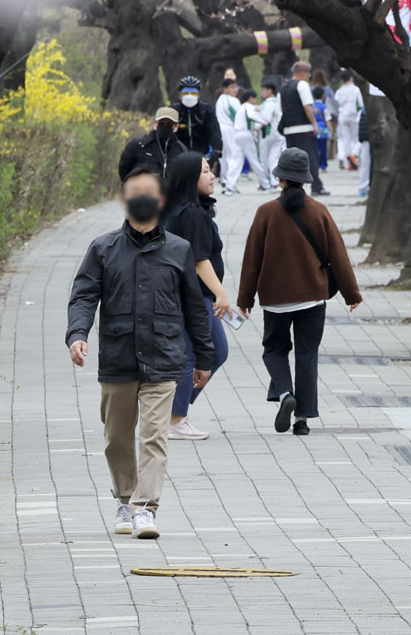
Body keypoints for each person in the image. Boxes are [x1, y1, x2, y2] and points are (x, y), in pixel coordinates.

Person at [67, 166, 218, 540]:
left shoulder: (179, 250)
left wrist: (204, 357)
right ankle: (123, 498)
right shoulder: (103, 248)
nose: (142, 197)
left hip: (165, 357)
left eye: (149, 192)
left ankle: (145, 510)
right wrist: (77, 334)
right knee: (117, 436)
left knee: (154, 437)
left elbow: (195, 308)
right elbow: (84, 295)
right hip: (118, 359)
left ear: (161, 200)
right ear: (123, 200)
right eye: (135, 192)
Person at [236, 147, 360, 434]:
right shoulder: (319, 211)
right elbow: (338, 255)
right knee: (307, 356)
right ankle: (302, 420)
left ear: (280, 179)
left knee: (274, 350)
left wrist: (245, 299)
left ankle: (284, 395)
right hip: (313, 299)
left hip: (275, 300)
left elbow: (251, 260)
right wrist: (351, 295)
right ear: (304, 179)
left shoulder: (265, 212)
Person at [161, 152, 234, 440]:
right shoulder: (192, 214)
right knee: (200, 353)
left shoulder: (178, 209)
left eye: (211, 170)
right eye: (205, 171)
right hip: (194, 296)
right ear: (191, 178)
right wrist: (221, 294)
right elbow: (199, 260)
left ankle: (172, 414)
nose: (212, 175)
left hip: (187, 295)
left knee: (211, 351)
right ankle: (174, 419)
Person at [278, 61, 327, 196]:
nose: (308, 76)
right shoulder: (302, 85)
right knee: (310, 158)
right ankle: (316, 186)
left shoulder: (284, 87)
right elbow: (307, 107)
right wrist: (314, 124)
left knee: (292, 159)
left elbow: (282, 108)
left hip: (289, 129)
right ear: (302, 73)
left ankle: (291, 187)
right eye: (308, 73)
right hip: (303, 128)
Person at [118, 107, 191, 184]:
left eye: (169, 124)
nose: (165, 126)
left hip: (171, 194)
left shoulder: (181, 150)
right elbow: (124, 171)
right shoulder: (138, 145)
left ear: (176, 127)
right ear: (155, 124)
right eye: (161, 123)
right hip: (142, 193)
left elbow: (185, 177)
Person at [171, 74, 222, 166]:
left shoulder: (206, 110)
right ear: (180, 95)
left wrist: (216, 150)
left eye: (193, 93)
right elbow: (166, 131)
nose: (189, 96)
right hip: (179, 155)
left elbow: (215, 131)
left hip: (202, 154)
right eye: (186, 93)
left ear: (198, 95)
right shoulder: (174, 110)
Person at [213, 78, 249, 194]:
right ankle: (230, 184)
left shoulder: (220, 99)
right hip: (230, 129)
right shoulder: (233, 101)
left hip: (220, 130)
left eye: (236, 87)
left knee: (224, 157)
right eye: (232, 87)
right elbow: (237, 117)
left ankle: (224, 180)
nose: (235, 90)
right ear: (225, 89)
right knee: (235, 156)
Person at [254, 79, 285, 187]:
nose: (262, 92)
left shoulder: (269, 104)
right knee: (274, 158)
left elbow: (265, 120)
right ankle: (275, 181)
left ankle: (265, 182)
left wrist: (256, 128)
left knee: (264, 159)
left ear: (269, 90)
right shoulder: (276, 102)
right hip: (278, 133)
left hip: (267, 133)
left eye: (263, 90)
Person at [332, 70, 364, 172]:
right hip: (354, 116)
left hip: (342, 117)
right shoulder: (356, 90)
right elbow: (361, 104)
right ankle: (354, 155)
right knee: (357, 139)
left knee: (346, 140)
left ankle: (348, 163)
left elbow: (335, 104)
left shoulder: (339, 91)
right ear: (351, 78)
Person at [309, 68, 332, 170]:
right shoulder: (328, 89)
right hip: (323, 128)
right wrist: (331, 130)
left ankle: (314, 164)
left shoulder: (311, 90)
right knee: (323, 148)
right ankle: (323, 165)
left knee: (314, 148)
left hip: (313, 127)